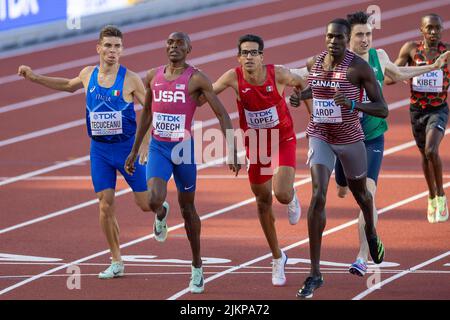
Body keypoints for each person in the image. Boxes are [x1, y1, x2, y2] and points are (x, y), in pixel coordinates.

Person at [292, 11, 449, 278]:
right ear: (347, 38)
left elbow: (398, 72)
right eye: (360, 35)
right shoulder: (330, 62)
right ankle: (342, 183)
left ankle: (362, 257)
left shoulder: (379, 57)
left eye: (369, 34)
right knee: (342, 187)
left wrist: (432, 67)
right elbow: (297, 75)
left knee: (368, 193)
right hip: (339, 136)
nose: (366, 40)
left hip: (371, 136)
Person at [18, 25, 152, 280]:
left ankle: (160, 207)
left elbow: (150, 111)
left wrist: (144, 144)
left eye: (117, 46)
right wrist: (34, 77)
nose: (113, 51)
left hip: (127, 151)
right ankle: (116, 260)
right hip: (100, 150)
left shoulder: (131, 79)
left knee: (146, 205)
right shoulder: (88, 74)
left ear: (122, 50)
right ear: (99, 48)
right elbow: (68, 85)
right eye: (108, 46)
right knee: (105, 203)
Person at [124, 32, 240, 294]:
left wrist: (232, 149)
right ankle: (161, 214)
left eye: (179, 44)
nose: (173, 47)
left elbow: (221, 114)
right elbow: (146, 116)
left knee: (188, 210)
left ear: (189, 49)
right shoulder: (153, 76)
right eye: (170, 43)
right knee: (153, 199)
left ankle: (197, 266)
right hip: (159, 148)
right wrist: (134, 151)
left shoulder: (197, 78)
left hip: (183, 151)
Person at [290, 19, 389, 298]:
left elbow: (382, 108)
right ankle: (314, 273)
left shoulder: (358, 67)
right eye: (330, 36)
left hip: (349, 139)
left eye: (340, 38)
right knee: (318, 194)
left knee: (362, 197)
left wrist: (354, 104)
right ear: (324, 37)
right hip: (320, 135)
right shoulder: (317, 62)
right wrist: (301, 97)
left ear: (347, 40)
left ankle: (370, 232)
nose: (334, 42)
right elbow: (317, 90)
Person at [203, 34, 309, 287]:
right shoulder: (232, 77)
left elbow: (303, 82)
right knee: (263, 202)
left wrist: (298, 97)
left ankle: (291, 195)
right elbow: (207, 92)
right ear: (239, 57)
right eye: (245, 53)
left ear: (262, 56)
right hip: (257, 145)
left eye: (254, 53)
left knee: (281, 194)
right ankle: (277, 256)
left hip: (282, 138)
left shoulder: (279, 74)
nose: (249, 57)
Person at [388, 13, 449, 223]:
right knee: (424, 155)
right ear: (421, 30)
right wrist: (402, 73)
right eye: (429, 28)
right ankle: (431, 196)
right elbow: (390, 76)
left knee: (432, 149)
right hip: (416, 112)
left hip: (438, 110)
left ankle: (441, 196)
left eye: (437, 28)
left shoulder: (447, 52)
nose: (433, 32)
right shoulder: (411, 50)